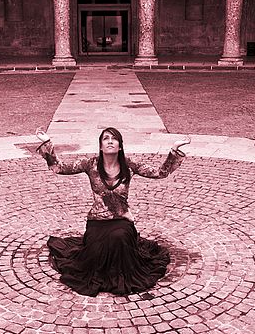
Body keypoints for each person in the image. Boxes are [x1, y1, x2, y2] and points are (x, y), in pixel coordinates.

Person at [34, 127, 190, 296]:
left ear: (120, 146)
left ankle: (121, 277)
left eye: (114, 139)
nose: (110, 141)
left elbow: (161, 173)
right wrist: (46, 142)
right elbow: (59, 168)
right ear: (100, 146)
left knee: (119, 239)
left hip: (122, 220)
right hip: (97, 220)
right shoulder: (90, 164)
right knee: (95, 248)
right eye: (105, 138)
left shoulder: (129, 165)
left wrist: (174, 149)